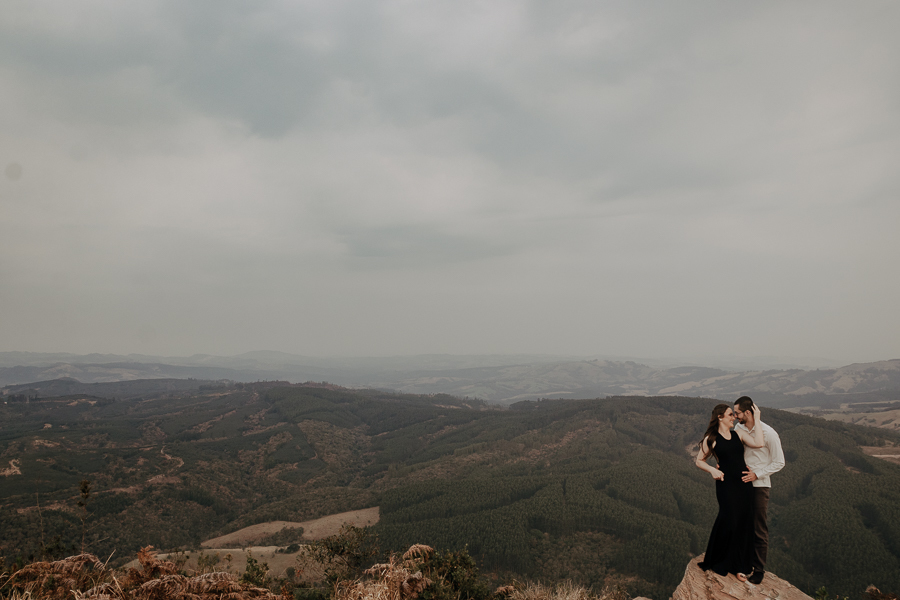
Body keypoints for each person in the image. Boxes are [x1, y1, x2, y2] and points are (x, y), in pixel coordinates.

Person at [695, 403, 764, 581]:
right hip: (726, 485)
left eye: (734, 415)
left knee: (744, 521)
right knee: (729, 520)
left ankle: (741, 566)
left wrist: (757, 418)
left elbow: (759, 443)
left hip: (743, 483)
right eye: (730, 415)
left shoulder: (738, 434)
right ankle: (720, 559)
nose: (734, 417)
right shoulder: (711, 438)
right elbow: (699, 461)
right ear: (720, 417)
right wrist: (713, 470)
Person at [733, 396, 785, 585]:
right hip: (740, 484)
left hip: (759, 486)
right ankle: (742, 565)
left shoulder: (768, 433)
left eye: (737, 412)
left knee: (758, 529)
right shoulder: (739, 428)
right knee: (740, 526)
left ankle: (759, 570)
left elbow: (780, 462)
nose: (735, 416)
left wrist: (758, 474)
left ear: (748, 412)